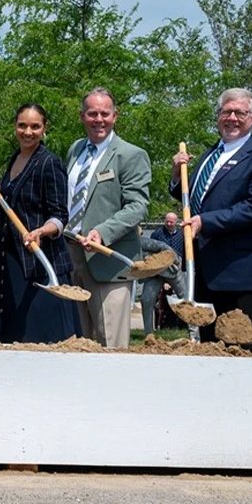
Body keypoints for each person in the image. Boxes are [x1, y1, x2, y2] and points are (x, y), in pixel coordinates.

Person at [170, 88, 252, 354]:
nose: (232, 118)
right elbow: (195, 198)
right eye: (226, 112)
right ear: (218, 116)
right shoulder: (210, 156)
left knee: (250, 355)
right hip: (208, 273)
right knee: (212, 353)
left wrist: (206, 222)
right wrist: (177, 176)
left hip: (246, 276)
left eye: (240, 113)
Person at [0, 103, 81, 344]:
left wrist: (42, 231)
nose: (28, 132)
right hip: (10, 260)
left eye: (35, 126)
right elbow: (12, 205)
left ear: (44, 128)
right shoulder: (15, 158)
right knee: (8, 337)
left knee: (38, 339)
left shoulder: (50, 163)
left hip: (39, 263)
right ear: (15, 127)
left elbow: (59, 215)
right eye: (22, 125)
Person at [66, 88, 151, 348]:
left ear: (115, 116)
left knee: (110, 345)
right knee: (78, 343)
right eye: (92, 113)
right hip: (73, 255)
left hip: (108, 261)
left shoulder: (130, 155)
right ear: (82, 116)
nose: (98, 119)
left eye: (105, 113)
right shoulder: (76, 149)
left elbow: (138, 206)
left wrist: (103, 231)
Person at [139, 214, 186, 336]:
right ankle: (149, 334)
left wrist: (178, 261)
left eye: (171, 222)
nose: (169, 224)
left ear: (176, 222)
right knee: (146, 299)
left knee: (186, 298)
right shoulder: (157, 234)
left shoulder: (181, 235)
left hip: (174, 271)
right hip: (156, 272)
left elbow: (164, 247)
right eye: (167, 221)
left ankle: (194, 333)